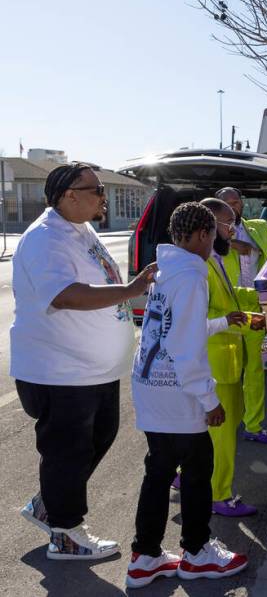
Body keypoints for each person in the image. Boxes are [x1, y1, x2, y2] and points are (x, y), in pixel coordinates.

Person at [11, 163, 156, 560]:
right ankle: (66, 533)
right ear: (68, 195)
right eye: (94, 189)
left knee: (99, 436)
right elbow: (66, 294)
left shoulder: (80, 228)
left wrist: (131, 288)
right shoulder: (45, 238)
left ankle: (49, 505)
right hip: (60, 371)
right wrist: (129, 289)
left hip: (90, 371)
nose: (102, 195)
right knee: (67, 451)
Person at [127, 202, 248, 588]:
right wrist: (209, 400)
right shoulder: (192, 277)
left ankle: (145, 555)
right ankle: (196, 552)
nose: (214, 242)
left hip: (150, 385)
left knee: (158, 471)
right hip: (177, 392)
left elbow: (177, 328)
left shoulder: (167, 270)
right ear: (200, 235)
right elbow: (184, 347)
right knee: (198, 471)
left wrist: (219, 322)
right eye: (213, 234)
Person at [200, 198, 266, 517]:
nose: (233, 230)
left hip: (227, 361)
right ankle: (219, 495)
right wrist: (250, 318)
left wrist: (264, 298)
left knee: (220, 434)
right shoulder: (200, 265)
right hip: (216, 365)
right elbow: (207, 313)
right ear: (209, 226)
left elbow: (231, 297)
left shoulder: (215, 258)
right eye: (228, 225)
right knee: (221, 440)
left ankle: (205, 486)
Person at [214, 187, 267, 444]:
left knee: (256, 370)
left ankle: (253, 425)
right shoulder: (212, 236)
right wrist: (230, 243)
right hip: (227, 310)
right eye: (228, 203)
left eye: (238, 201)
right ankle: (220, 423)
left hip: (258, 306)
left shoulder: (260, 228)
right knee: (226, 374)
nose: (235, 207)